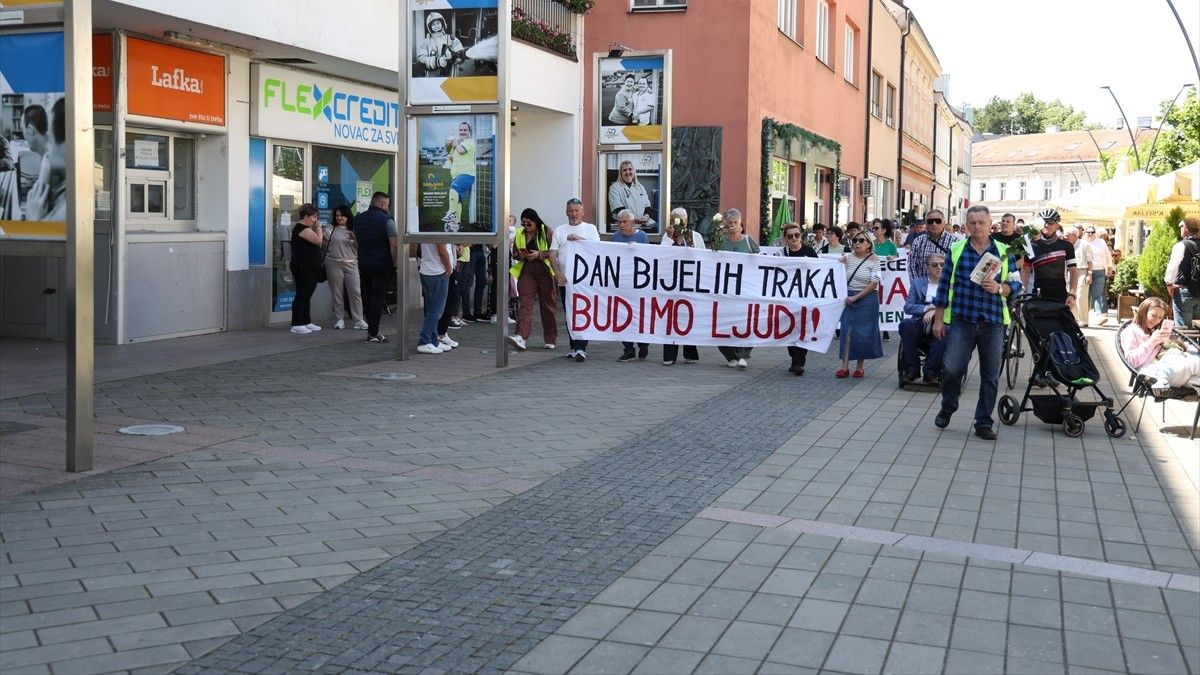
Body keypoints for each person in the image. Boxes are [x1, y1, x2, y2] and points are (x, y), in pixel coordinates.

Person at [932, 205, 1022, 440]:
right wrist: (938, 319)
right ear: (966, 225)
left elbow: (1016, 284)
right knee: (951, 369)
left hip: (992, 322)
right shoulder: (957, 249)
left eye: (981, 222)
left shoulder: (1003, 251)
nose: (977, 227)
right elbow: (943, 287)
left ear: (990, 223)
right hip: (962, 320)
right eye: (972, 223)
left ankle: (983, 422)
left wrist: (1000, 288)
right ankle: (948, 406)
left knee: (990, 375)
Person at [550, 197, 601, 361]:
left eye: (576, 210)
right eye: (570, 210)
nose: (573, 214)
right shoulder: (560, 230)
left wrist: (579, 240)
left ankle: (581, 347)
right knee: (569, 314)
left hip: (584, 281)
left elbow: (598, 249)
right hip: (566, 280)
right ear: (566, 212)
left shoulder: (590, 229)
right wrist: (557, 272)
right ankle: (573, 346)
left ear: (583, 212)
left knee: (582, 313)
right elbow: (552, 253)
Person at [1122, 297, 1200, 390]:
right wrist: (1152, 341)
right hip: (1155, 374)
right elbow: (1131, 361)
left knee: (1197, 380)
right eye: (1153, 315)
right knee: (1196, 362)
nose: (1156, 320)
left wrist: (1165, 341)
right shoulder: (1130, 331)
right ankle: (1162, 381)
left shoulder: (1150, 331)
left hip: (1171, 371)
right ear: (1143, 311)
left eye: (1160, 318)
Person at [507, 208, 557, 351]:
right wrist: (521, 255)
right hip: (527, 270)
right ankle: (521, 336)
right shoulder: (519, 233)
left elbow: (554, 251)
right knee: (526, 304)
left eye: (529, 224)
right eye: (523, 224)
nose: (526, 227)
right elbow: (515, 253)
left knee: (548, 306)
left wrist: (539, 254)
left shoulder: (546, 231)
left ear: (535, 222)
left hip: (545, 271)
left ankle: (550, 338)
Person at [715, 209, 758, 368]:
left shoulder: (748, 241)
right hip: (725, 290)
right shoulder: (720, 240)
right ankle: (730, 356)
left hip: (744, 290)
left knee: (747, 323)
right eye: (730, 223)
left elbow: (760, 261)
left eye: (735, 223)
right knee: (721, 324)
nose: (732, 226)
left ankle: (743, 355)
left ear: (740, 224)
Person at [660, 207, 703, 366]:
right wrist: (669, 238)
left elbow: (702, 256)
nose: (675, 222)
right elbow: (660, 255)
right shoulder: (667, 236)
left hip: (690, 283)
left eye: (679, 219)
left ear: (685, 221)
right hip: (671, 284)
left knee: (688, 317)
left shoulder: (695, 236)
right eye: (673, 219)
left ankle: (690, 353)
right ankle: (669, 355)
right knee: (671, 318)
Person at [837, 231, 883, 378]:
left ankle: (859, 367)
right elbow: (832, 269)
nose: (857, 243)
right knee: (847, 331)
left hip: (867, 300)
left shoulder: (875, 260)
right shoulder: (847, 257)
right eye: (854, 240)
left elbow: (873, 283)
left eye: (861, 240)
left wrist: (856, 297)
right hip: (849, 298)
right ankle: (844, 366)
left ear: (868, 244)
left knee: (862, 333)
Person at [355, 192, 398, 343]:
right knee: (378, 299)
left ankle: (371, 330)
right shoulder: (387, 220)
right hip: (382, 265)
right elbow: (394, 245)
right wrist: (395, 263)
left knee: (367, 297)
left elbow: (357, 241)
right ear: (381, 204)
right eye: (387, 205)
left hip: (364, 264)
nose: (388, 208)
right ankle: (373, 332)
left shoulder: (358, 219)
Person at [899, 253, 948, 384]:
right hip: (920, 320)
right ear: (928, 268)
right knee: (905, 325)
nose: (939, 268)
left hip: (942, 319)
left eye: (942, 265)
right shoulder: (917, 283)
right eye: (934, 265)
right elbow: (908, 307)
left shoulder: (950, 284)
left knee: (945, 330)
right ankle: (912, 369)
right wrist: (927, 309)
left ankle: (931, 372)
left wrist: (934, 310)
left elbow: (953, 305)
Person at [1019, 207, 1080, 308]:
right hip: (1038, 294)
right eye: (1044, 222)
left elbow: (1073, 270)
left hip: (1059, 294)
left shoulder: (1066, 246)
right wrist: (1022, 289)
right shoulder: (1031, 245)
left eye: (1051, 222)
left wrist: (1072, 294)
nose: (1046, 225)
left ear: (1057, 225)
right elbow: (1026, 269)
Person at [612, 209, 651, 362]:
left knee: (640, 315)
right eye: (619, 222)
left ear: (632, 222)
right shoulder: (615, 237)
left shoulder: (642, 236)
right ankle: (628, 348)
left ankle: (643, 343)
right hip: (622, 282)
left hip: (639, 283)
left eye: (624, 222)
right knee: (623, 315)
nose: (621, 225)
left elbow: (648, 258)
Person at [780, 222, 817, 375]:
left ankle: (799, 363)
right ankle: (794, 357)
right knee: (790, 330)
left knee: (803, 330)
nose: (794, 238)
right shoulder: (782, 254)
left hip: (806, 298)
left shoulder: (809, 251)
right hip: (788, 299)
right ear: (785, 239)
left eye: (797, 235)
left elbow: (820, 270)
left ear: (800, 236)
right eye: (790, 236)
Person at [324, 205, 367, 331]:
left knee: (355, 292)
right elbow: (323, 243)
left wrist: (355, 240)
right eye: (337, 215)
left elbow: (361, 247)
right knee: (337, 293)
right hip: (333, 263)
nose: (339, 218)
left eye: (341, 215)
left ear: (347, 216)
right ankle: (339, 320)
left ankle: (358, 320)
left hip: (351, 263)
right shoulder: (330, 229)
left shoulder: (354, 229)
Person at [23, 99, 66, 221]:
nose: (48, 150)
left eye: (51, 138)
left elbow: (38, 238)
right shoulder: (62, 182)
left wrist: (33, 218)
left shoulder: (64, 209)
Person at [288, 203, 324, 335]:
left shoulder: (307, 228)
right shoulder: (301, 228)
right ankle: (297, 323)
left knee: (307, 294)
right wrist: (319, 228)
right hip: (303, 267)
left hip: (311, 266)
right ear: (306, 216)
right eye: (314, 217)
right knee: (302, 294)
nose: (315, 220)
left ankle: (306, 321)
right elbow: (318, 241)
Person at [414, 241, 453, 354]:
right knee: (436, 310)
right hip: (438, 271)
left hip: (427, 269)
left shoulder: (426, 229)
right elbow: (442, 250)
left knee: (431, 308)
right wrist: (449, 268)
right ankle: (424, 341)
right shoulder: (439, 230)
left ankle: (433, 340)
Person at [1164, 217, 1200, 328]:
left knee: (1184, 330)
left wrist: (1169, 283)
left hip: (1184, 290)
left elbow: (1173, 266)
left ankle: (1187, 345)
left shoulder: (1181, 245)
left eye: (1181, 227)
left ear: (1185, 228)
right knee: (1198, 330)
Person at [907, 209, 960, 283]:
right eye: (930, 221)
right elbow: (911, 265)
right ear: (926, 224)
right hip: (922, 290)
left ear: (944, 223)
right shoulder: (918, 241)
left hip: (945, 289)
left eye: (938, 221)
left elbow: (959, 268)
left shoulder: (954, 242)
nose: (934, 224)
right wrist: (917, 286)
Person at [443, 121, 475, 231]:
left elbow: (461, 151)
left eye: (465, 130)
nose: (462, 132)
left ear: (469, 132)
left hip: (467, 174)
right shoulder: (456, 144)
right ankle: (457, 222)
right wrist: (448, 146)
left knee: (454, 189)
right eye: (461, 130)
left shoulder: (470, 142)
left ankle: (451, 212)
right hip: (456, 175)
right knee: (458, 200)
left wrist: (455, 144)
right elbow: (450, 155)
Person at [607, 160, 655, 230]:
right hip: (624, 226)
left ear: (633, 171)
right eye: (624, 170)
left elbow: (647, 206)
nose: (628, 172)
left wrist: (646, 216)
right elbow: (619, 209)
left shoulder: (640, 187)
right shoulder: (614, 188)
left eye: (630, 169)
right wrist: (635, 219)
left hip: (643, 225)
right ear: (621, 173)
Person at [417, 11, 465, 77]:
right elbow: (421, 59)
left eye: (438, 23)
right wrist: (438, 62)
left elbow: (460, 52)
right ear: (429, 27)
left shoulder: (450, 38)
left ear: (442, 23)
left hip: (450, 75)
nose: (436, 26)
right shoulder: (426, 42)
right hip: (433, 77)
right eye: (433, 24)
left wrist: (454, 56)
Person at [1083, 226, 1114, 324]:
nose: (1091, 234)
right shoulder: (1082, 243)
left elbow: (1107, 255)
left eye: (1092, 232)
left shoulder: (1101, 242)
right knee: (1085, 295)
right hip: (1085, 271)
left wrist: (1109, 267)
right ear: (1084, 233)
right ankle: (1084, 316)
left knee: (1096, 294)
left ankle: (1098, 315)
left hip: (1100, 271)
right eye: (1088, 232)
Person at [1063, 226, 1090, 327]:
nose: (1065, 238)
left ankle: (1083, 320)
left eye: (1067, 236)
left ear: (1074, 236)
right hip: (1070, 272)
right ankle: (1074, 319)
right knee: (1071, 294)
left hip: (1082, 271)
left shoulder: (1084, 244)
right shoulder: (1067, 245)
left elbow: (1090, 261)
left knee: (1081, 296)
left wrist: (1089, 275)